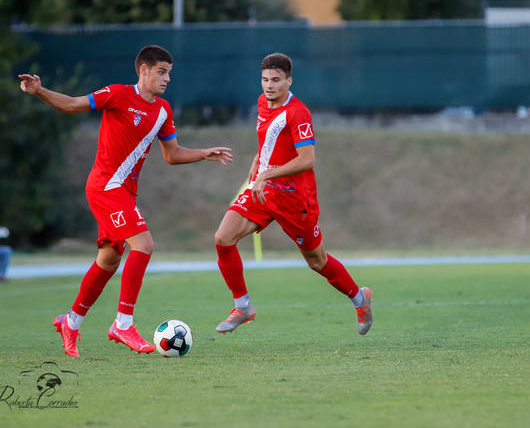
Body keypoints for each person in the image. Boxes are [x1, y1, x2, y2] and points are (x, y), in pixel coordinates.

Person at [19, 45, 232, 357]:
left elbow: (172, 155)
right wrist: (39, 91)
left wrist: (203, 153)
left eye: (169, 73)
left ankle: (71, 321)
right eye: (161, 72)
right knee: (143, 244)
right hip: (106, 187)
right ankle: (122, 324)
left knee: (108, 259)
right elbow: (73, 105)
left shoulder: (163, 110)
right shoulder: (117, 94)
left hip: (125, 191)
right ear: (143, 71)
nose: (167, 78)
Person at [214, 53, 372, 335]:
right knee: (223, 238)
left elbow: (307, 159)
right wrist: (257, 165)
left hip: (295, 199)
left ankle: (360, 299)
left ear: (289, 81)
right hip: (262, 192)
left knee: (316, 261)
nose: (269, 86)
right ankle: (243, 306)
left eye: (276, 80)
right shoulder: (263, 103)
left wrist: (265, 174)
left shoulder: (298, 113)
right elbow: (267, 141)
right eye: (264, 80)